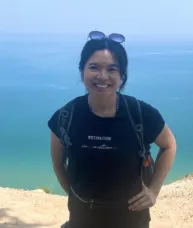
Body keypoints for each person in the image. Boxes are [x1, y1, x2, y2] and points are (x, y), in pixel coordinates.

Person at [48, 31, 177, 228]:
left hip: (131, 220)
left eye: (112, 69)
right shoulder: (66, 116)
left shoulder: (140, 114)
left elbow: (169, 146)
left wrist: (153, 190)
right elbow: (58, 164)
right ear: (82, 70)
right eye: (94, 67)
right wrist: (76, 196)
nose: (102, 76)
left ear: (122, 75)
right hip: (83, 219)